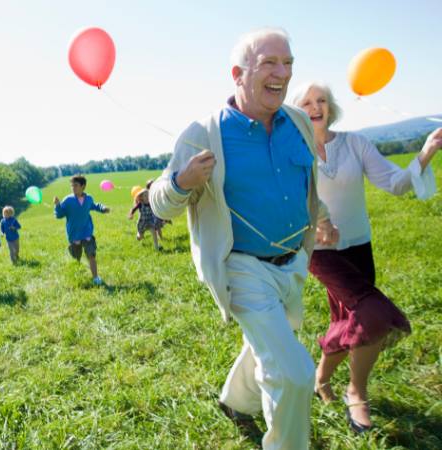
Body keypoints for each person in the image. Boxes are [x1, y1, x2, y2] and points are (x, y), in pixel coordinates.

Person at [150, 28, 338, 450]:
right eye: (269, 63)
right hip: (242, 267)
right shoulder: (204, 132)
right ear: (238, 73)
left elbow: (302, 183)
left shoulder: (298, 123)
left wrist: (321, 218)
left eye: (288, 63)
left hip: (293, 263)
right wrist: (182, 181)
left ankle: (235, 401)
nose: (282, 73)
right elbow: (160, 204)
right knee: (293, 372)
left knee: (273, 342)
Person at [292, 81, 441, 432]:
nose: (316, 107)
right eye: (307, 102)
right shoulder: (292, 152)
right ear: (296, 111)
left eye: (322, 100)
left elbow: (396, 182)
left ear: (331, 106)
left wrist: (428, 150)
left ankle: (320, 380)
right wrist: (320, 223)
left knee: (347, 321)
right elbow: (291, 203)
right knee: (372, 314)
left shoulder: (355, 143)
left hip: (359, 247)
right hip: (321, 252)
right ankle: (356, 392)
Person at [54, 175, 111, 285]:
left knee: (91, 254)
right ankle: (76, 261)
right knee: (76, 255)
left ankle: (95, 277)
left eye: (75, 185)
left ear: (83, 186)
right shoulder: (68, 200)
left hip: (87, 232)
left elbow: (94, 206)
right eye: (72, 186)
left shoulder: (88, 198)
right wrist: (57, 205)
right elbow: (59, 214)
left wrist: (103, 208)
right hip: (74, 234)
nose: (73, 188)